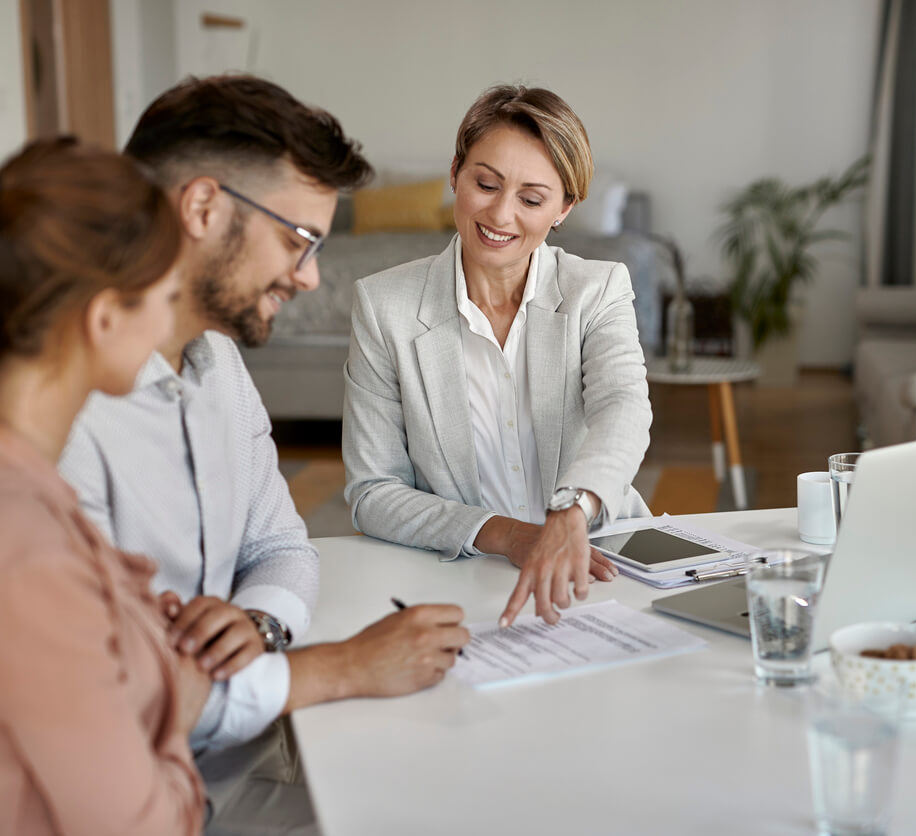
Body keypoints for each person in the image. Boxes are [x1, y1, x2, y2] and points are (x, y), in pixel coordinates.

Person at [58, 75, 469, 834]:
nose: (311, 276)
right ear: (203, 208)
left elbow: (281, 543)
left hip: (247, 763)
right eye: (298, 238)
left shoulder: (217, 361)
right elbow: (95, 706)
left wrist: (261, 624)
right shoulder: (60, 418)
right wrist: (343, 668)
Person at [0, 138, 205, 834]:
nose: (172, 323)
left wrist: (123, 620)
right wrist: (179, 716)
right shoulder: (23, 552)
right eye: (168, 297)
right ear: (103, 319)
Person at [343, 84, 652, 629]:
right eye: (485, 184)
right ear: (456, 173)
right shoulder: (383, 305)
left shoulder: (598, 289)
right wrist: (508, 534)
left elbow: (623, 407)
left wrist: (571, 514)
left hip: (599, 567)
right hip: (457, 575)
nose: (501, 215)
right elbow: (373, 492)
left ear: (564, 208)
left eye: (531, 199)